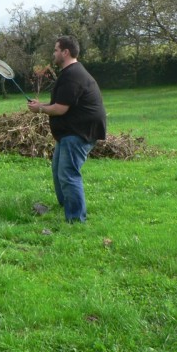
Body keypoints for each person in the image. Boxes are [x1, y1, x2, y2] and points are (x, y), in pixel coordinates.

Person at [28, 36, 106, 222]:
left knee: (68, 174)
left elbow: (60, 109)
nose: (53, 53)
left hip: (79, 132)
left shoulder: (73, 75)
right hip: (69, 132)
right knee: (58, 170)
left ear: (65, 52)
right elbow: (62, 103)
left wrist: (39, 109)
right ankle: (66, 205)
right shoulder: (70, 73)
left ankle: (76, 219)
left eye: (56, 50)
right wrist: (43, 104)